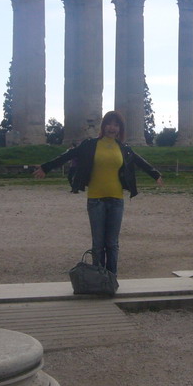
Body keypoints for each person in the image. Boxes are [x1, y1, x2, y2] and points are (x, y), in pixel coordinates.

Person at [33, 111, 163, 276]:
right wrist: (46, 167)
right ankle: (99, 278)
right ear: (103, 126)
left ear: (120, 129)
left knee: (112, 244)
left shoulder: (124, 148)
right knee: (98, 244)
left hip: (116, 199)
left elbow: (140, 161)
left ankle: (111, 278)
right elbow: (69, 155)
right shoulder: (90, 144)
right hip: (96, 200)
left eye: (116, 125)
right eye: (109, 123)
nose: (112, 127)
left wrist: (155, 174)